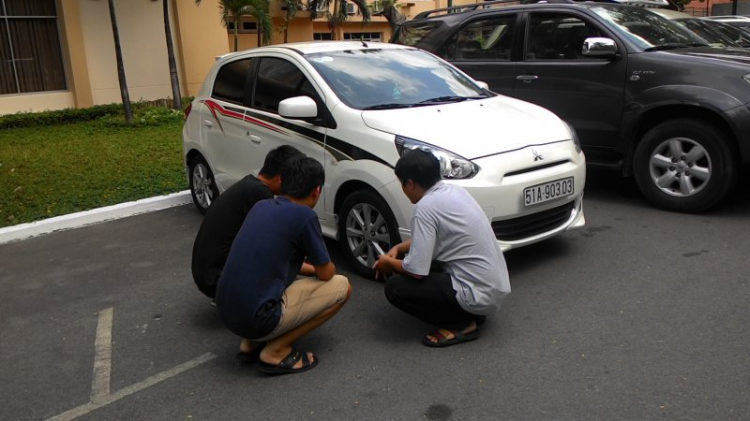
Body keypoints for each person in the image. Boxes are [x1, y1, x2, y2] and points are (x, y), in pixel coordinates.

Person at [216, 156, 351, 375]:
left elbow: (272, 259)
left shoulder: (261, 206)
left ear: (282, 181)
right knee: (342, 287)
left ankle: (250, 343)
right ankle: (276, 350)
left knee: (273, 278)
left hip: (226, 311)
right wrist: (322, 268)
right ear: (317, 190)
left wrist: (307, 269)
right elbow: (326, 274)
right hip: (257, 319)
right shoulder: (305, 215)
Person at [374, 149, 511, 348]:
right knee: (426, 264)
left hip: (475, 292)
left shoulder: (425, 207)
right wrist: (398, 248)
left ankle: (462, 323)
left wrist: (388, 263)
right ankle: (471, 311)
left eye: (402, 184)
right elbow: (435, 239)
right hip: (493, 287)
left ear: (410, 184)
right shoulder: (455, 191)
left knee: (395, 287)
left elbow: (416, 271)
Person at [191, 145, 304, 303]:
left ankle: (229, 294)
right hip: (216, 278)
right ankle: (248, 299)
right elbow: (271, 248)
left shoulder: (249, 185)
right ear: (280, 178)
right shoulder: (260, 194)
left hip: (207, 274)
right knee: (285, 261)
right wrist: (306, 267)